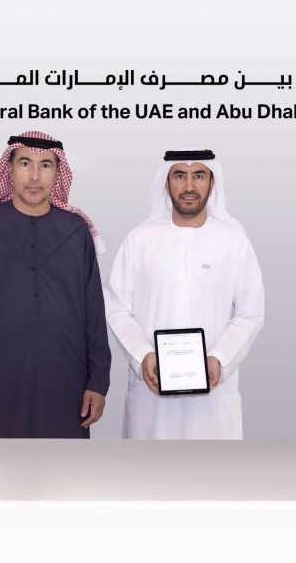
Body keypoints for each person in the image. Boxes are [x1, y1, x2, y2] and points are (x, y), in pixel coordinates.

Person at [0, 131, 111, 438]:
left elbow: (94, 313)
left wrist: (98, 381)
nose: (34, 176)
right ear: (9, 169)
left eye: (45, 165)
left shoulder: (76, 230)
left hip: (68, 381)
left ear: (58, 173)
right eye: (25, 164)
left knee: (66, 465)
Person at [103, 150, 264, 439]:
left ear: (212, 183)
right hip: (151, 397)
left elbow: (250, 314)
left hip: (212, 402)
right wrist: (142, 354)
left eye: (198, 175)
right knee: (149, 467)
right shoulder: (139, 240)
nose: (189, 186)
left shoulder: (234, 243)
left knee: (210, 468)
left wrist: (219, 358)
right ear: (166, 184)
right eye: (180, 175)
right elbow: (117, 307)